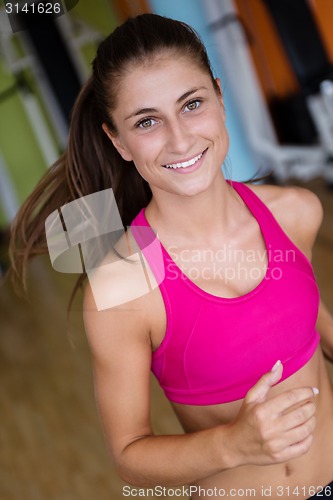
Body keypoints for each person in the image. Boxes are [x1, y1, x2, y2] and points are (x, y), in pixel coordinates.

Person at [9, 13, 333, 499]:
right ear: (117, 141)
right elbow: (130, 456)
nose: (180, 139)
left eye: (192, 104)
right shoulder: (123, 287)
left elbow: (309, 322)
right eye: (147, 122)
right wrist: (234, 444)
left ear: (220, 98)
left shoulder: (294, 212)